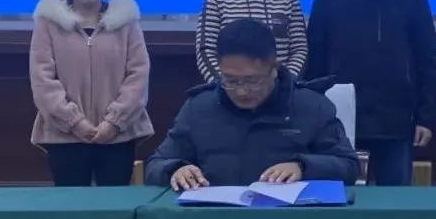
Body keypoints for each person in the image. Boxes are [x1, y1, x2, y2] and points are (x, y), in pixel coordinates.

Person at [146, 19, 359, 190]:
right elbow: (155, 165)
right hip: (213, 218)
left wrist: (303, 166)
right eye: (231, 80)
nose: (242, 91)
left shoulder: (311, 106)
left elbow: (348, 166)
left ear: (274, 68)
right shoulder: (198, 108)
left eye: (253, 81)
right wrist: (175, 169)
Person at [306, 0, 436, 186]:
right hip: (339, 120)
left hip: (396, 121)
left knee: (395, 201)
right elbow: (316, 61)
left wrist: (425, 118)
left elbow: (427, 58)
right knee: (340, 198)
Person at [30, 0, 153, 186]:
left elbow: (138, 75)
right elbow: (42, 79)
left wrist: (114, 122)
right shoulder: (48, 22)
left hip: (117, 135)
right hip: (65, 136)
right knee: (71, 205)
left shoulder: (126, 21)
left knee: (116, 203)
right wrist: (74, 122)